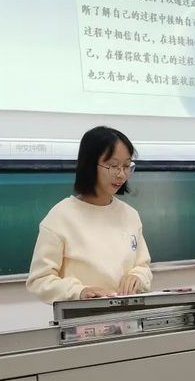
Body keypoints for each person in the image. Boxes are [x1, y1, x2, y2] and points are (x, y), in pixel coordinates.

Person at [27, 126, 153, 303]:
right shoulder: (60, 217)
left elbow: (143, 266)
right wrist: (79, 292)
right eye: (113, 166)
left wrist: (138, 277)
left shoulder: (130, 215)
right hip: (83, 316)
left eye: (126, 166)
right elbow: (39, 280)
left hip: (129, 313)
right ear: (90, 165)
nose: (121, 174)